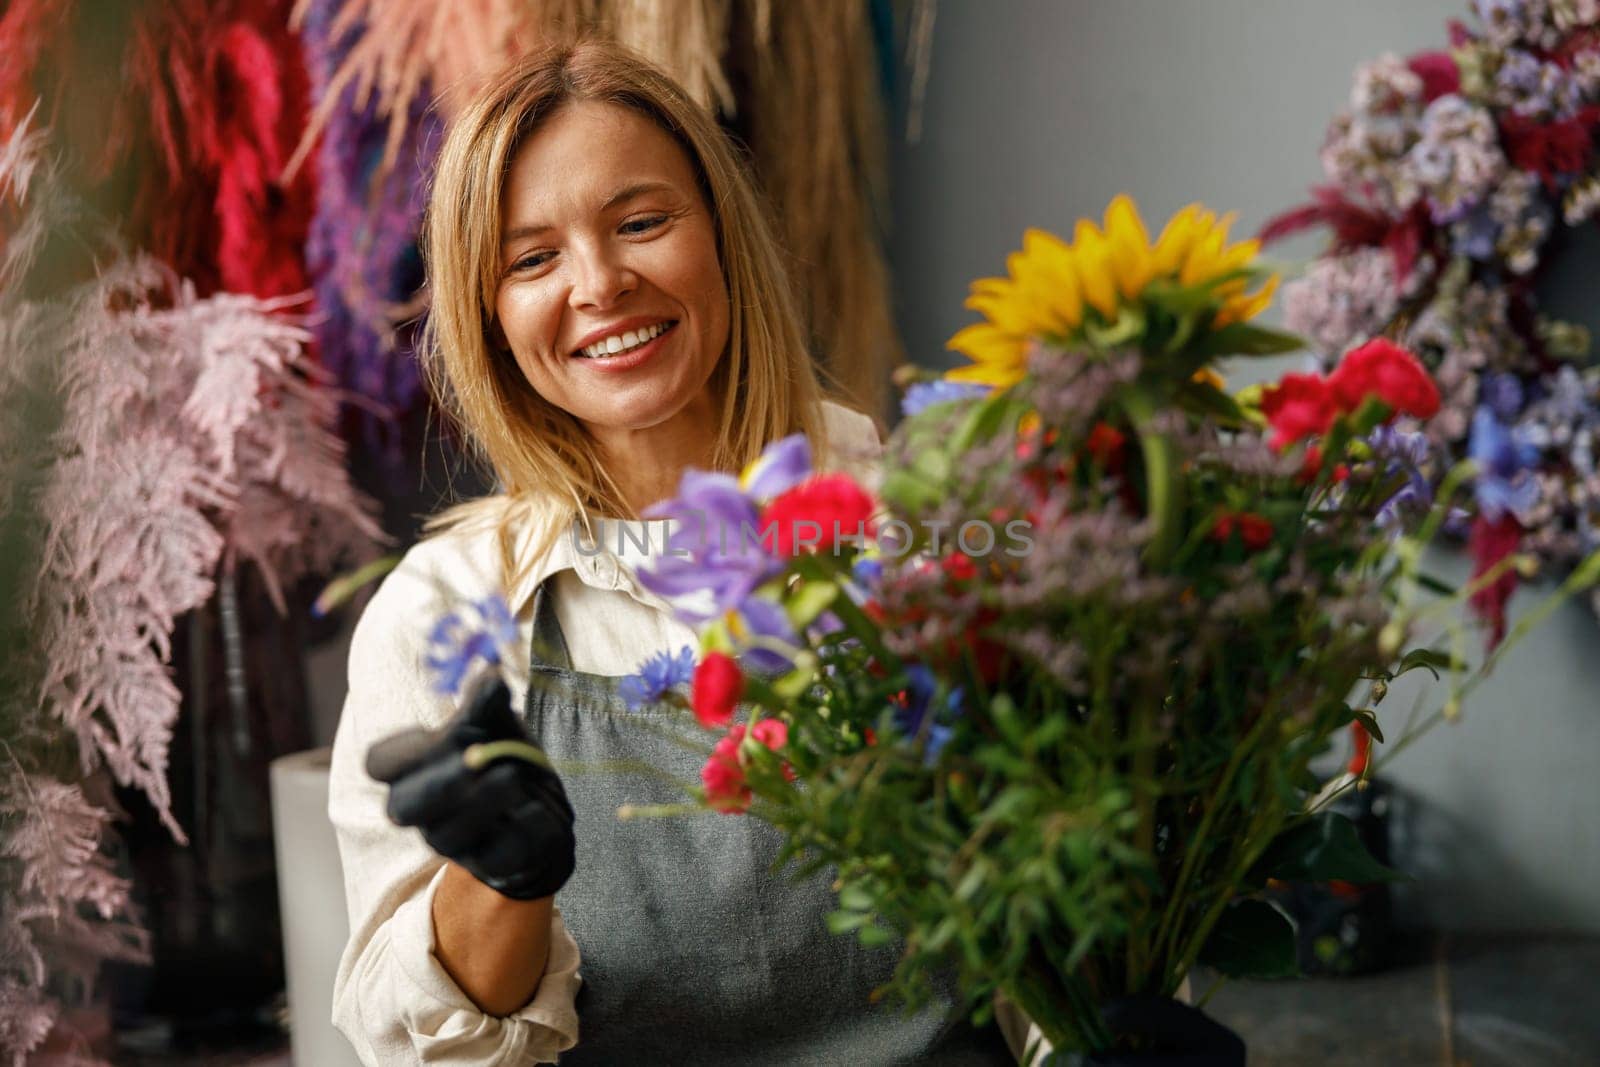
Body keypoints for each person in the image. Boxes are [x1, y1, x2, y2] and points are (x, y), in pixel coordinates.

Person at [327, 39, 1021, 1065]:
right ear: (491, 316)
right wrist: (500, 877)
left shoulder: (918, 514)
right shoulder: (444, 611)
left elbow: (1072, 894)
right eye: (532, 258)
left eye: (640, 222)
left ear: (722, 237)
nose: (601, 283)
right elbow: (409, 1045)